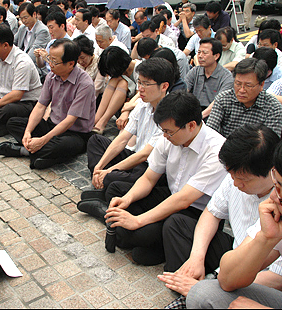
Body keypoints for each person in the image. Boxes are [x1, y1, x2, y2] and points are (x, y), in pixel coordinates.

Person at [187, 120, 282, 309]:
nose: (273, 196)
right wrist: (266, 238)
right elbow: (227, 279)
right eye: (276, 184)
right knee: (205, 293)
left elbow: (279, 279)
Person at [159, 124, 282, 309]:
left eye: (244, 179)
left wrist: (212, 288)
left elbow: (279, 278)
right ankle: (191, 279)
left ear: (272, 172)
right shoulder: (236, 177)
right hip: (233, 256)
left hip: (258, 277)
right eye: (232, 175)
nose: (236, 183)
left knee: (205, 293)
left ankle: (197, 287)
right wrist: (196, 258)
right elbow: (211, 213)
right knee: (177, 224)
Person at [103, 91, 228, 265]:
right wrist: (127, 199)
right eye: (163, 130)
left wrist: (138, 220)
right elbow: (148, 179)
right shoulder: (169, 137)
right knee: (118, 192)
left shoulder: (216, 152)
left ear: (191, 125)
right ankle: (152, 242)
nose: (165, 136)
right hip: (171, 196)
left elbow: (184, 200)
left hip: (194, 213)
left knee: (140, 233)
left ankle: (154, 242)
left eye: (169, 131)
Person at [80, 58, 172, 209]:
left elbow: (145, 154)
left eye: (146, 84)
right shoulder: (143, 103)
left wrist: (109, 171)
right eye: (139, 82)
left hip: (150, 167)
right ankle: (101, 184)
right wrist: (100, 166)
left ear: (164, 86)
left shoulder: (169, 114)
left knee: (115, 179)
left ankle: (105, 194)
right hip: (133, 155)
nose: (140, 88)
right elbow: (123, 138)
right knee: (95, 141)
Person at [0, 38, 96, 170]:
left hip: (74, 133)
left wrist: (43, 140)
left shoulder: (85, 84)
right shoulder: (51, 76)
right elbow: (40, 106)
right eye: (49, 59)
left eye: (54, 61)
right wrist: (28, 132)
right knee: (13, 123)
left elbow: (70, 120)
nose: (50, 64)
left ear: (71, 64)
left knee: (62, 145)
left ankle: (23, 150)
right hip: (51, 125)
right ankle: (40, 153)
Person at [207, 58, 282, 138]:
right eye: (238, 84)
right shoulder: (223, 99)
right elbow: (210, 132)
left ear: (261, 85)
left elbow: (269, 142)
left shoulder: (273, 107)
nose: (241, 90)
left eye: (248, 85)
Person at [94, 46, 140, 134]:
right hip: (119, 107)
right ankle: (97, 118)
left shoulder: (139, 69)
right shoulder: (117, 75)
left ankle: (103, 121)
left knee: (122, 82)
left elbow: (140, 96)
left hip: (132, 107)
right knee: (114, 80)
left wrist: (126, 110)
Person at [185, 38, 234, 119]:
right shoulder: (195, 71)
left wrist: (199, 117)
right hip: (194, 111)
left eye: (205, 53)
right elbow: (184, 91)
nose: (200, 56)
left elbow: (219, 102)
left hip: (215, 114)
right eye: (199, 52)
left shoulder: (226, 76)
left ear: (216, 56)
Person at [14, 2, 51, 76]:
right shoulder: (22, 28)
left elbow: (33, 55)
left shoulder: (42, 30)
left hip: (35, 66)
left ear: (34, 14)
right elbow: (13, 42)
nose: (23, 21)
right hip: (20, 61)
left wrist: (17, 61)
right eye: (21, 18)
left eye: (25, 18)